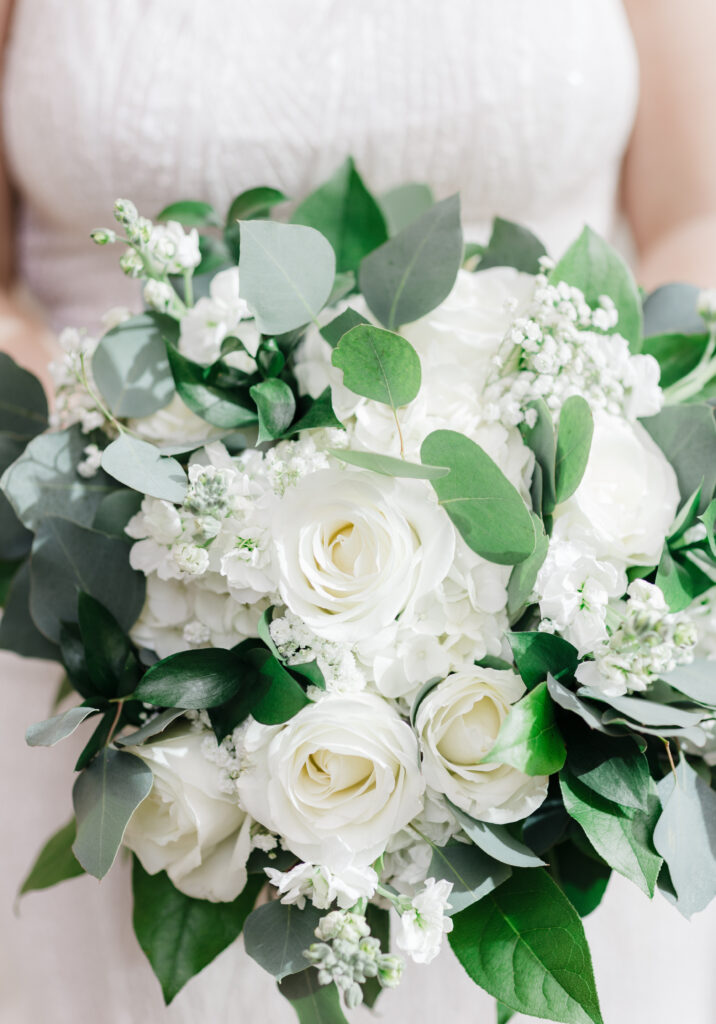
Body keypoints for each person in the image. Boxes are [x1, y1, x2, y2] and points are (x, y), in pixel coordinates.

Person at [1, 2, 715, 1022]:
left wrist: (569, 544)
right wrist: (152, 484)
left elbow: (694, 213)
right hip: (112, 625)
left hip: (559, 662)